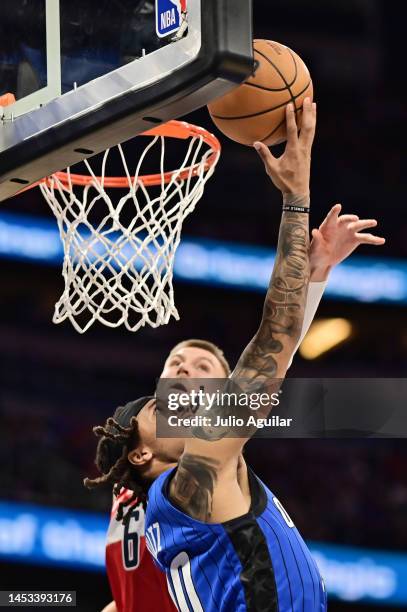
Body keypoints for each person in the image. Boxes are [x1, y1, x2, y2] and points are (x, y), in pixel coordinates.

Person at [87, 98, 385, 612]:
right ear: (141, 454)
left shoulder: (202, 481)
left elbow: (275, 354)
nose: (183, 387)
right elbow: (274, 343)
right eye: (167, 399)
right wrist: (295, 195)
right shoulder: (193, 477)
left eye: (202, 373)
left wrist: (311, 278)